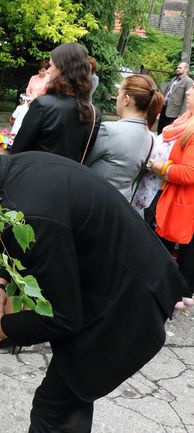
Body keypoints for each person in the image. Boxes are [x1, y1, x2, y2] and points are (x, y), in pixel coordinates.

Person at [0, 136, 185, 433]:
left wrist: (4, 327)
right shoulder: (11, 172)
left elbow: (64, 316)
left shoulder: (34, 214)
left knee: (55, 410)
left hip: (129, 300)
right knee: (66, 400)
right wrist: (3, 280)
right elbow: (19, 234)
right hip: (117, 274)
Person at [146, 86, 194, 310]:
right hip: (179, 197)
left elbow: (188, 173)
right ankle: (181, 291)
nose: (188, 92)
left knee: (175, 242)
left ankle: (173, 292)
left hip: (185, 199)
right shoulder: (186, 119)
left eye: (193, 91)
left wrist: (159, 166)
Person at [11, 43, 100, 163]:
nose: (48, 71)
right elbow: (85, 154)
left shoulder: (42, 105)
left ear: (62, 69)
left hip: (37, 174)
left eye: (51, 66)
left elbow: (18, 151)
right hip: (69, 178)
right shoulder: (93, 113)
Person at [85, 74, 164, 201]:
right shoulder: (150, 138)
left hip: (93, 198)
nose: (117, 98)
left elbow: (84, 161)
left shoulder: (109, 130)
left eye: (119, 94)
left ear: (126, 99)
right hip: (122, 203)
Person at [158, 62, 194, 134]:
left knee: (168, 132)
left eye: (180, 68)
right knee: (160, 129)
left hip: (174, 112)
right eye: (177, 68)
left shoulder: (188, 81)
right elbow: (168, 93)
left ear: (186, 69)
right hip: (165, 108)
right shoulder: (174, 79)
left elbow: (186, 98)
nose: (177, 69)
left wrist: (181, 115)